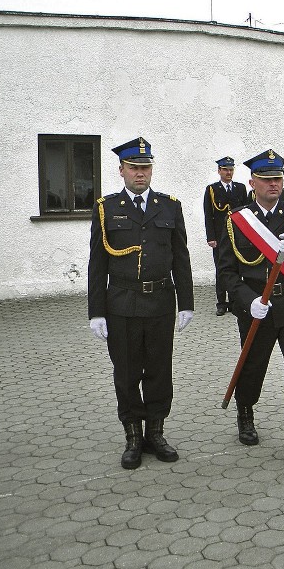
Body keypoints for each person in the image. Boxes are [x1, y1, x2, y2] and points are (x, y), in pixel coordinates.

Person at [88, 137, 194, 470]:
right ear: (121, 170)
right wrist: (96, 312)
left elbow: (181, 257)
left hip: (161, 302)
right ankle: (133, 436)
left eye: (145, 168)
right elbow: (97, 263)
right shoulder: (106, 208)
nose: (140, 174)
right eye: (134, 168)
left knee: (161, 371)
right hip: (121, 305)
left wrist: (186, 302)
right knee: (127, 372)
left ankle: (156, 433)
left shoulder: (169, 206)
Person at [217, 150, 284, 475]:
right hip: (257, 311)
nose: (274, 184)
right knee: (253, 367)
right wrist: (247, 300)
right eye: (267, 179)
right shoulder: (238, 220)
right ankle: (245, 411)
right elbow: (226, 272)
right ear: (253, 183)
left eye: (277, 178)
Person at [203, 156, 249, 315]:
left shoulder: (240, 188)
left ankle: (235, 301)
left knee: (237, 268)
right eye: (225, 169)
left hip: (237, 236)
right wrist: (211, 237)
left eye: (231, 169)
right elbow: (208, 214)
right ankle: (221, 302)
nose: (228, 172)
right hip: (220, 237)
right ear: (219, 171)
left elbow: (246, 213)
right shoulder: (212, 189)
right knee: (221, 269)